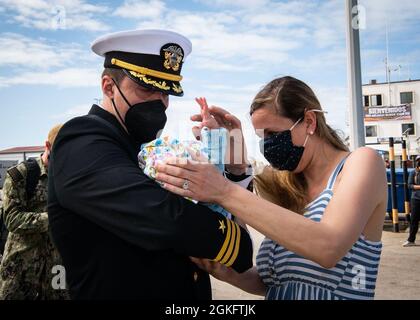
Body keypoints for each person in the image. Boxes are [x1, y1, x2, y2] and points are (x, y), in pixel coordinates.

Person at [48, 29, 253, 300]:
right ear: (109, 87)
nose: (160, 102)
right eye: (147, 88)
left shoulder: (147, 148)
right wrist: (237, 242)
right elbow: (166, 218)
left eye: (167, 92)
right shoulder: (82, 140)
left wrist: (235, 171)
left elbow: (205, 208)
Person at [155, 76, 388, 300]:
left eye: (273, 133)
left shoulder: (362, 162)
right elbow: (276, 282)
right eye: (261, 136)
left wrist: (223, 189)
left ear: (309, 121)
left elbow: (328, 247)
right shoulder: (283, 184)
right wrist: (236, 169)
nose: (267, 144)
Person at [0, 124, 68, 300]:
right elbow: (12, 218)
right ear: (48, 146)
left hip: (57, 268)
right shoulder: (22, 175)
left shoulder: (68, 178)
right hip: (21, 267)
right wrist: (51, 220)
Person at [403, 156, 420, 247]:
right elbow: (409, 185)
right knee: (414, 220)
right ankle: (411, 240)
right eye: (418, 161)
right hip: (416, 199)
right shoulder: (413, 172)